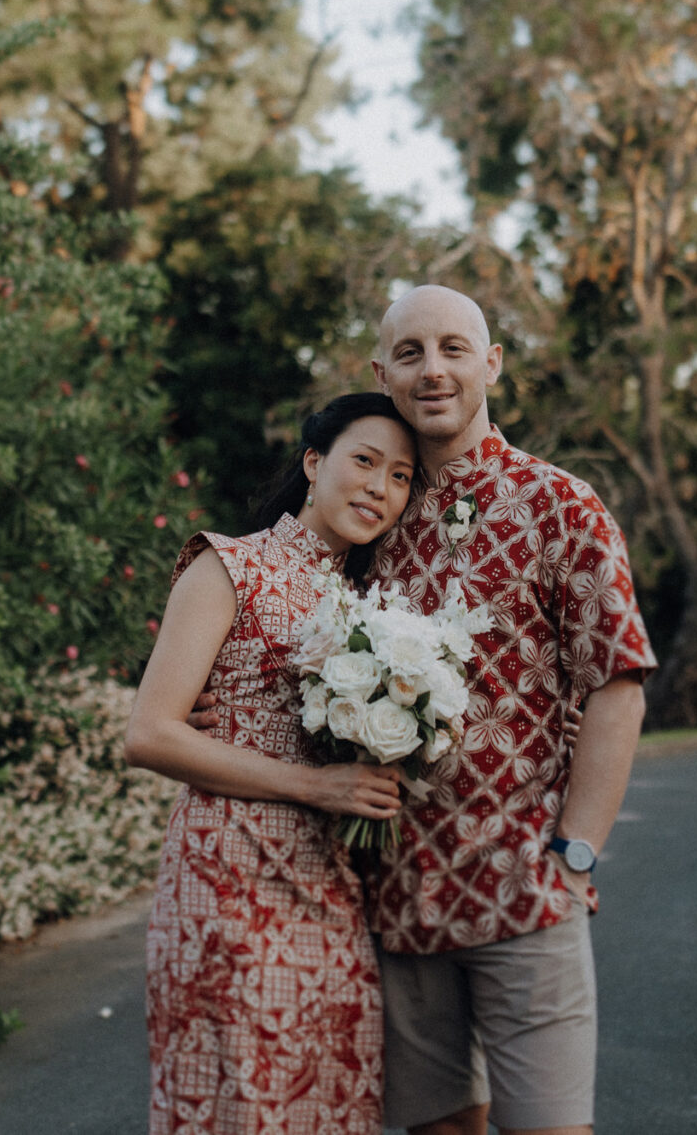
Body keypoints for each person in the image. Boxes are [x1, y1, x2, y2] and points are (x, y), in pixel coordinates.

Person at [365, 284, 655, 1135]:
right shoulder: (369, 514)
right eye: (411, 353)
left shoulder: (561, 504)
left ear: (492, 363)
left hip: (524, 884)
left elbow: (618, 680)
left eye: (454, 348)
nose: (433, 370)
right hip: (400, 895)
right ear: (382, 374)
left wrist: (576, 853)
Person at [124, 392, 420, 1135]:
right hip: (229, 880)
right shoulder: (230, 563)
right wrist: (316, 784)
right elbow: (151, 733)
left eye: (401, 475)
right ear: (314, 463)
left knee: (336, 1101)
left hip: (333, 889)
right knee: (243, 1107)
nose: (379, 487)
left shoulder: (375, 606)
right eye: (363, 461)